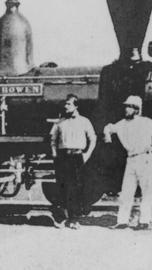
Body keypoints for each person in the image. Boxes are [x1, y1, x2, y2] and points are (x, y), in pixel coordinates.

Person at [104, 95, 152, 230]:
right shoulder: (121, 124)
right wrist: (107, 135)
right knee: (126, 191)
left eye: (129, 107)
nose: (126, 109)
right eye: (126, 107)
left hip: (145, 158)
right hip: (131, 159)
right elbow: (108, 127)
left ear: (136, 109)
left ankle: (145, 221)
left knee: (146, 191)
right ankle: (122, 221)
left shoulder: (146, 122)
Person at [50, 94, 96, 229]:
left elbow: (92, 138)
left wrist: (87, 154)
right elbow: (53, 140)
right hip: (63, 157)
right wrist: (54, 154)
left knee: (76, 189)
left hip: (77, 157)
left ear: (76, 106)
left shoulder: (84, 121)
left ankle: (74, 220)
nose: (66, 106)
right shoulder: (59, 122)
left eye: (69, 104)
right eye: (65, 104)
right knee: (62, 187)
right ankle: (61, 219)